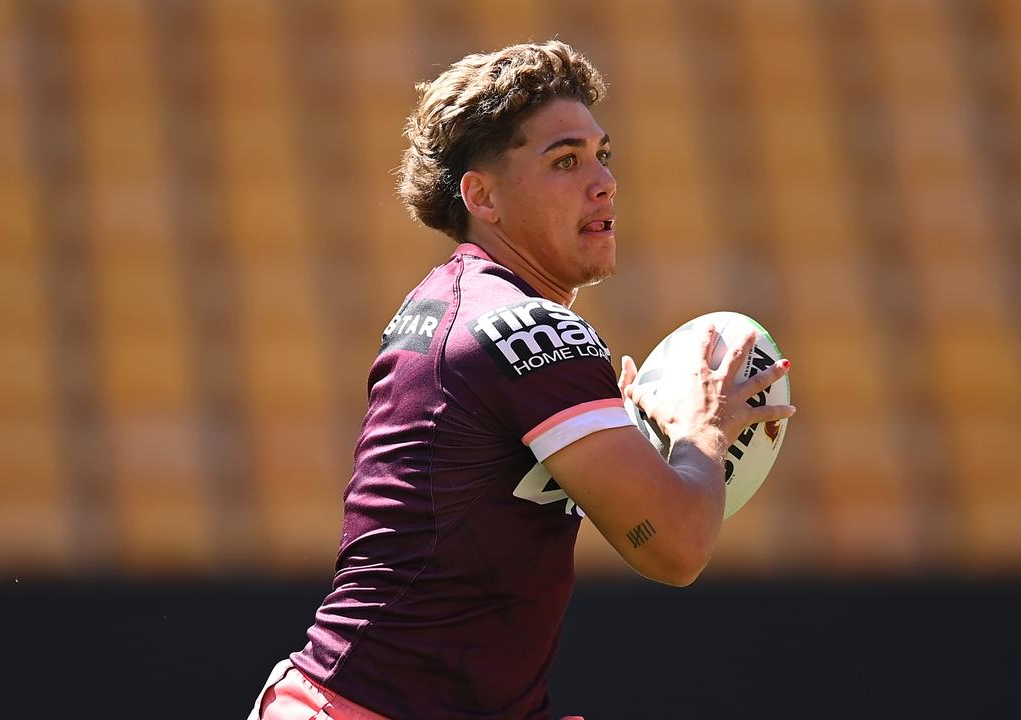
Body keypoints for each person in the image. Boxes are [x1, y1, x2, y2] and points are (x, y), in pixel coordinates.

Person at [248, 40, 795, 720]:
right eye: (565, 160)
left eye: (604, 154)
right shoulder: (531, 332)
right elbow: (677, 547)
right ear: (482, 196)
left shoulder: (453, 303)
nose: (604, 181)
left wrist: (626, 428)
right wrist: (702, 429)